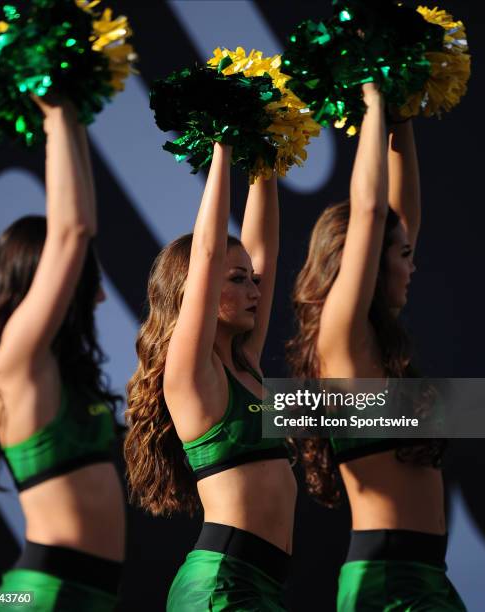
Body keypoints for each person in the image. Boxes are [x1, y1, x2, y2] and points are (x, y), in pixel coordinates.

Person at [288, 83, 466, 610]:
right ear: (358, 259)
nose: (413, 266)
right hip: (389, 584)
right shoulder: (341, 339)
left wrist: (402, 111)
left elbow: (395, 218)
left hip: (424, 577)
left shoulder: (371, 334)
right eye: (402, 256)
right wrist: (371, 94)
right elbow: (369, 213)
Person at [0, 96, 125, 611]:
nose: (99, 296)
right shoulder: (16, 360)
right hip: (44, 593)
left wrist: (72, 110)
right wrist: (60, 111)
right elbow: (74, 231)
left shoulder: (60, 374)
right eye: (88, 281)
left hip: (85, 593)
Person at [125, 143, 296, 611]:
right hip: (221, 586)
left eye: (253, 281)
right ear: (197, 291)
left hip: (261, 584)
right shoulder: (191, 375)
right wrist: (223, 141)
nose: (254, 290)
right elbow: (204, 254)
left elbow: (267, 251)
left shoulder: (247, 365)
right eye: (237, 280)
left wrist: (268, 150)